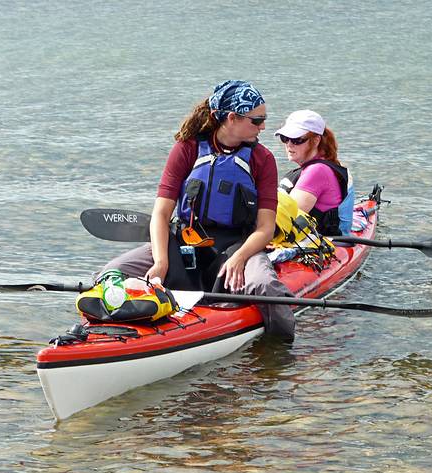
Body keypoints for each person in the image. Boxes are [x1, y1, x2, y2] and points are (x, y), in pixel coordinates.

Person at [101, 80, 296, 339]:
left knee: (263, 285)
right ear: (231, 118)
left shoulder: (263, 160)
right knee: (110, 272)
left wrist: (239, 259)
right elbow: (160, 215)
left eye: (264, 119)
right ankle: (110, 329)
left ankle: (279, 354)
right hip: (185, 241)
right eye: (257, 120)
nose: (263, 126)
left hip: (237, 245)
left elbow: (265, 228)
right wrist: (161, 262)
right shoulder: (187, 148)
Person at [275, 110, 355, 236]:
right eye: (285, 138)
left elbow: (285, 219)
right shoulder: (324, 164)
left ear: (316, 140)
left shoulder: (317, 171)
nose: (289, 144)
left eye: (297, 140)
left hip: (325, 246)